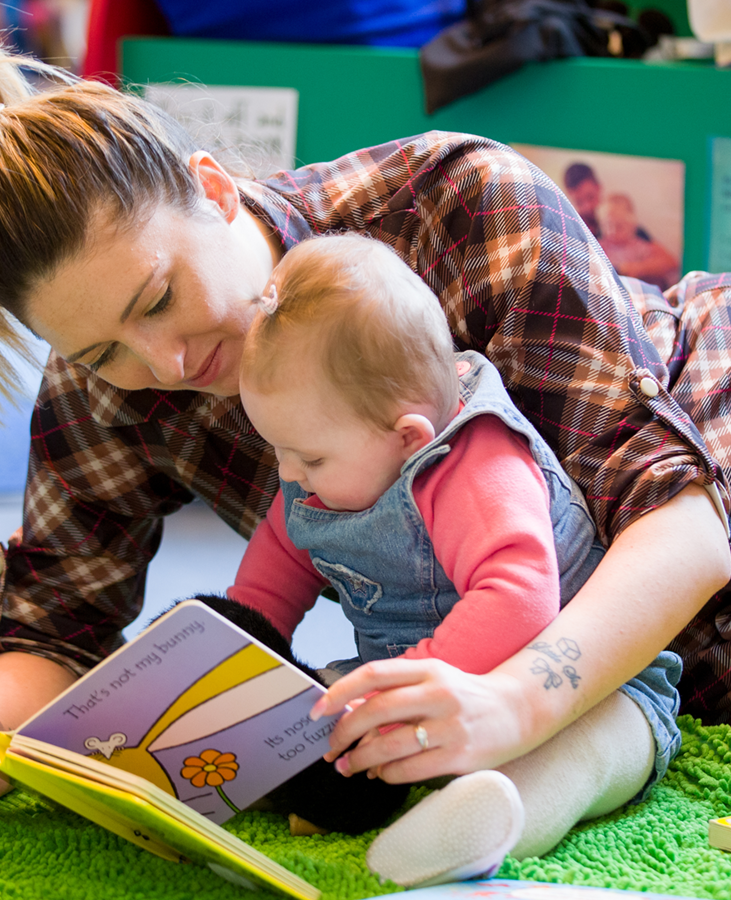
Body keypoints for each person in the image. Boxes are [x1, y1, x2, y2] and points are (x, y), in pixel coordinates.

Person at [0, 22, 731, 836]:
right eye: (103, 350)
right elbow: (51, 619)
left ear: (214, 189)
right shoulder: (102, 382)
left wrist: (515, 703)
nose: (165, 364)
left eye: (159, 298)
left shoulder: (455, 208)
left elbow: (683, 522)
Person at [226, 233, 679, 884]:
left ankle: (496, 819)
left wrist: (406, 686)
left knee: (591, 752)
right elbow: (270, 577)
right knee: (312, 706)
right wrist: (233, 665)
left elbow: (518, 594)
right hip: (421, 680)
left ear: (407, 437)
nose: (288, 474)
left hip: (585, 683)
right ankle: (315, 787)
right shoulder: (320, 469)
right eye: (278, 450)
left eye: (310, 458)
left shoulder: (477, 460)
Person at [598, 193, 679, 291]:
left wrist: (635, 268)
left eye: (619, 227)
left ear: (632, 226)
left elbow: (670, 264)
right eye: (607, 226)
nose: (612, 231)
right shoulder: (599, 247)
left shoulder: (639, 247)